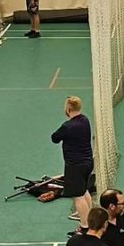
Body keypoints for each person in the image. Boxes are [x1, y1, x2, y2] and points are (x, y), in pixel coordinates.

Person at [51, 95, 93, 225]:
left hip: (75, 165)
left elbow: (54, 138)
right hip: (87, 163)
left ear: (69, 108)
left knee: (78, 196)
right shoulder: (85, 120)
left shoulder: (67, 126)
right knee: (84, 190)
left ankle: (85, 226)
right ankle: (90, 217)